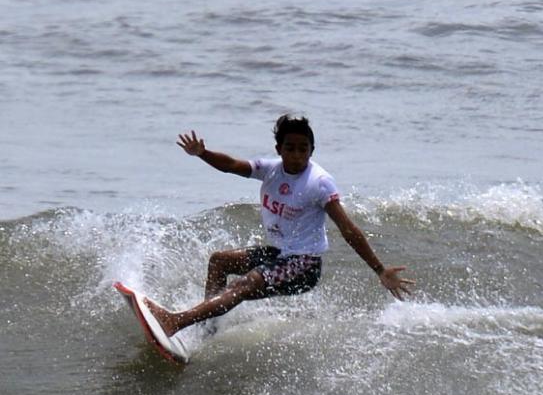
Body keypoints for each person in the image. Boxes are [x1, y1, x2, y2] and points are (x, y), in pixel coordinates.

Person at [143, 114, 414, 338]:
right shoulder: (271, 169)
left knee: (244, 285)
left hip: (304, 266)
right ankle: (206, 332)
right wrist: (203, 153)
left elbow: (348, 229)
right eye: (290, 148)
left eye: (303, 149)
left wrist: (379, 269)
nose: (296, 155)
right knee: (219, 261)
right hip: (279, 254)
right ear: (279, 149)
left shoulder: (319, 183)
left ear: (312, 150)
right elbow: (231, 165)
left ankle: (176, 322)